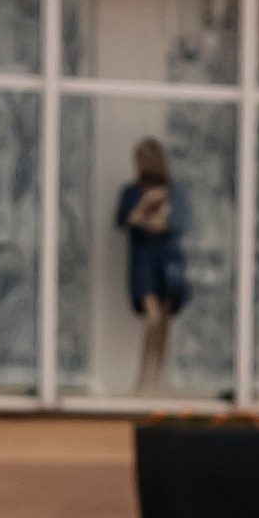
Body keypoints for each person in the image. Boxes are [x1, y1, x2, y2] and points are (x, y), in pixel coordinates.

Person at [114, 136, 189, 395]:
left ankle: (158, 378)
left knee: (165, 320)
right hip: (143, 260)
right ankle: (143, 377)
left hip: (167, 260)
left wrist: (161, 215)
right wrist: (143, 209)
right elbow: (124, 221)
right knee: (152, 318)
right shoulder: (131, 192)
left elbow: (178, 223)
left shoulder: (175, 192)